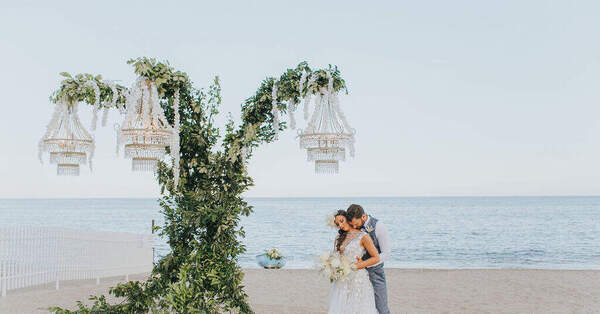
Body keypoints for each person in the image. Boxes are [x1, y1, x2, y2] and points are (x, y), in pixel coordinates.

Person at [328, 210, 379, 314]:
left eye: (342, 221)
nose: (341, 225)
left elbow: (376, 258)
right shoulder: (338, 239)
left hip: (358, 278)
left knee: (358, 307)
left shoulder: (363, 236)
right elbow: (335, 257)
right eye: (338, 224)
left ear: (348, 219)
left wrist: (358, 265)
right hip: (342, 279)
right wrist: (332, 267)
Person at [347, 204, 391, 314]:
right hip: (358, 275)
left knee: (381, 306)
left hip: (375, 272)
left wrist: (366, 264)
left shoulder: (379, 226)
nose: (355, 227)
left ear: (363, 216)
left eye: (356, 224)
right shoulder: (353, 227)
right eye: (353, 225)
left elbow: (386, 253)